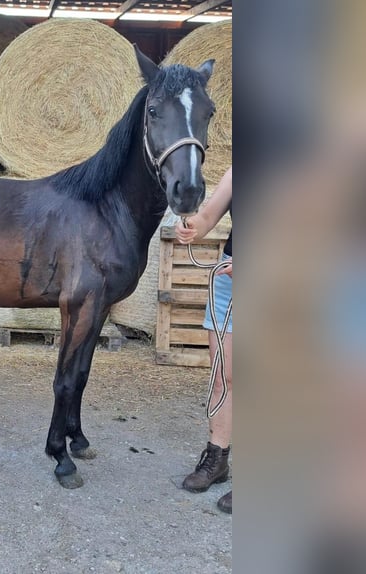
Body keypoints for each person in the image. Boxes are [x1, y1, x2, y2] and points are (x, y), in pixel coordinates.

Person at [175, 166, 233, 514]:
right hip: (230, 275)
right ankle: (217, 458)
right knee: (222, 377)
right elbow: (210, 215)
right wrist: (192, 226)